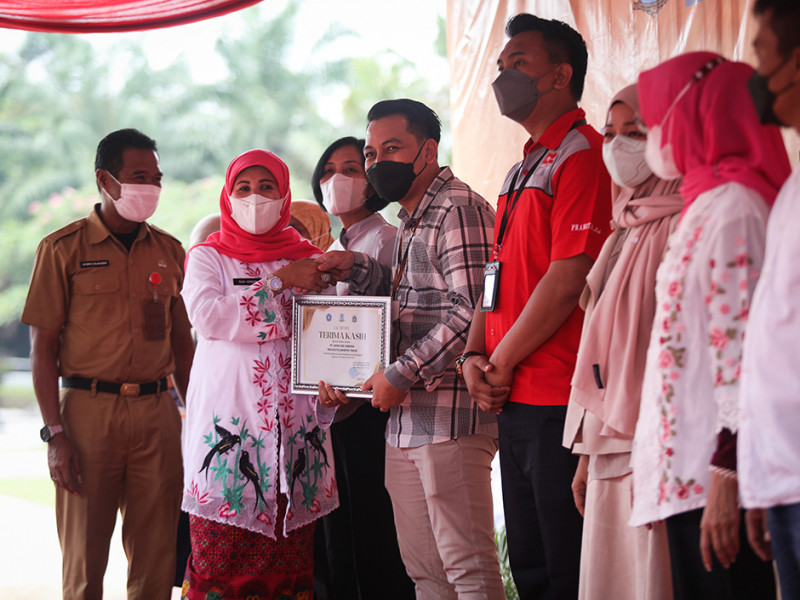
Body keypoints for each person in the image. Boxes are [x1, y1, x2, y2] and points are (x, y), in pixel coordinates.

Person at [317, 99, 504, 599]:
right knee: (425, 573)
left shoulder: (457, 208)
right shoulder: (413, 217)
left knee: (467, 569)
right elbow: (414, 299)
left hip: (449, 419)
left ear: (428, 151)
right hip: (406, 422)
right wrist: (357, 266)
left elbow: (471, 311)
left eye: (392, 148)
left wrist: (399, 374)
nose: (378, 163)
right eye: (372, 153)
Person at [629, 51, 790, 600]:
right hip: (690, 468)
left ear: (697, 114)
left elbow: (742, 352)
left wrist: (727, 470)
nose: (652, 135)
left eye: (655, 121)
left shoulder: (736, 208)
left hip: (717, 474)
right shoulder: (703, 202)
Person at [461, 14, 612, 598]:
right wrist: (473, 356)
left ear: (560, 75)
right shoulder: (521, 166)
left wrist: (499, 362)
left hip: (559, 395)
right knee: (530, 567)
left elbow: (568, 277)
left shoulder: (584, 153)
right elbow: (496, 274)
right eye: (500, 65)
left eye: (518, 63)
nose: (503, 76)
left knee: (569, 566)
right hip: (512, 395)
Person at [21, 128, 195, 599]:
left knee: (156, 562)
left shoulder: (170, 251)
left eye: (156, 178)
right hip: (87, 416)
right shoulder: (62, 249)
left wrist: (195, 419)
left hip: (158, 414)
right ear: (105, 179)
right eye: (139, 177)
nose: (151, 188)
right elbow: (42, 348)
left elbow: (183, 344)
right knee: (84, 563)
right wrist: (55, 435)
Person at [180, 149, 338, 599]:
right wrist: (281, 280)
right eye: (244, 188)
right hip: (229, 437)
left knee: (289, 573)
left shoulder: (313, 260)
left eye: (266, 187)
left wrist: (333, 385)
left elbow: (325, 335)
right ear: (227, 196)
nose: (254, 198)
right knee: (219, 569)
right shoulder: (208, 257)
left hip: (294, 435)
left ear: (284, 195)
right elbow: (209, 316)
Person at [562, 84, 679, 600]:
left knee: (650, 577)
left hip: (657, 447)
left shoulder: (686, 221)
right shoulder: (624, 225)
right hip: (609, 444)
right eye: (609, 134)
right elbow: (599, 350)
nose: (617, 147)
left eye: (635, 133)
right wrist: (587, 455)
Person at [310, 137, 412, 600]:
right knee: (342, 530)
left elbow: (394, 320)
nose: (338, 179)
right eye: (329, 170)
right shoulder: (334, 246)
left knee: (375, 530)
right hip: (336, 406)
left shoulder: (386, 239)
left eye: (351, 169)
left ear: (371, 183)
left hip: (376, 405)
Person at [739, 2, 800, 598]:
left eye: (761, 56)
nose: (755, 76)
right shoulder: (790, 193)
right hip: (781, 472)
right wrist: (758, 475)